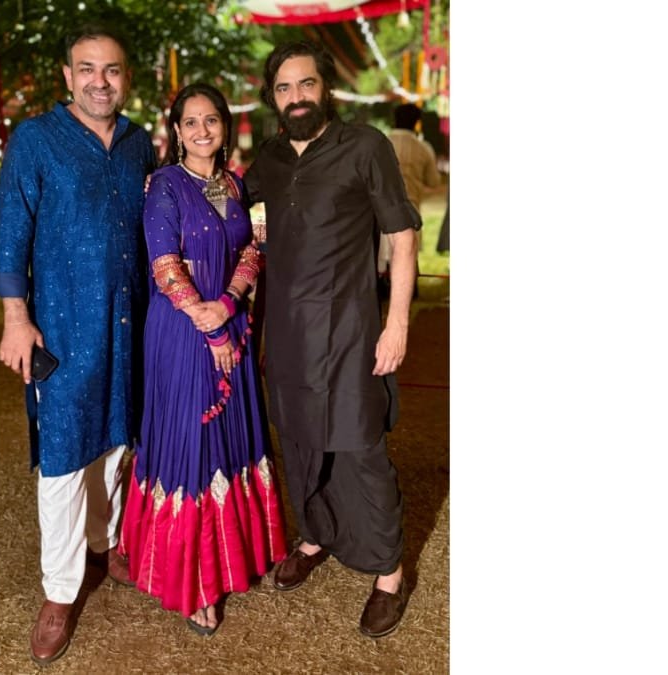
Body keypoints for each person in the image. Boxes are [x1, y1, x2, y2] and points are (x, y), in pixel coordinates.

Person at [0, 22, 154, 666]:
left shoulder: (141, 143)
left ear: (125, 77)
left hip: (126, 321)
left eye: (111, 70)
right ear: (67, 76)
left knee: (115, 442)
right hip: (60, 323)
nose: (100, 82)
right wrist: (14, 316)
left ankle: (104, 545)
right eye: (87, 69)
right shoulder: (35, 139)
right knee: (61, 459)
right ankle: (60, 592)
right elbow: (10, 233)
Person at [243, 41, 420, 639]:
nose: (296, 97)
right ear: (273, 98)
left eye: (306, 84)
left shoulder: (365, 146)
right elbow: (225, 207)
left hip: (350, 331)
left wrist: (396, 324)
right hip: (287, 334)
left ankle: (389, 571)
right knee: (296, 440)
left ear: (327, 89)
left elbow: (402, 236)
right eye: (285, 88)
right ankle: (315, 535)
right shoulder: (266, 159)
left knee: (359, 448)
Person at [118, 82, 288, 637]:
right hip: (182, 332)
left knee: (230, 442)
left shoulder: (233, 184)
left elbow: (251, 249)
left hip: (229, 320)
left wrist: (230, 303)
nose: (201, 131)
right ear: (176, 131)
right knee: (190, 447)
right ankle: (194, 585)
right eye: (189, 122)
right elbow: (165, 265)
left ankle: (232, 559)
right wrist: (208, 323)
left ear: (225, 126)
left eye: (210, 119)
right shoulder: (163, 186)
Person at [378, 103, 441, 292]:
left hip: (381, 209)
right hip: (410, 210)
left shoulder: (380, 144)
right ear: (416, 123)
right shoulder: (423, 148)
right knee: (408, 257)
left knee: (382, 257)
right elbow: (434, 181)